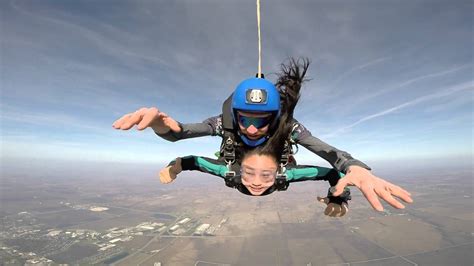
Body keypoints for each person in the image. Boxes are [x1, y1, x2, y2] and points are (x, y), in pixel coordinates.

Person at [112, 58, 413, 212]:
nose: (252, 128)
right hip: (249, 167)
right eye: (245, 119)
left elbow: (327, 154)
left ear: (275, 117)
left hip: (261, 167)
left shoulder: (286, 133)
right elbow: (183, 134)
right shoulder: (226, 129)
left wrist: (353, 171)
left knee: (234, 170)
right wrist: (160, 126)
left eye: (262, 120)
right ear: (236, 115)